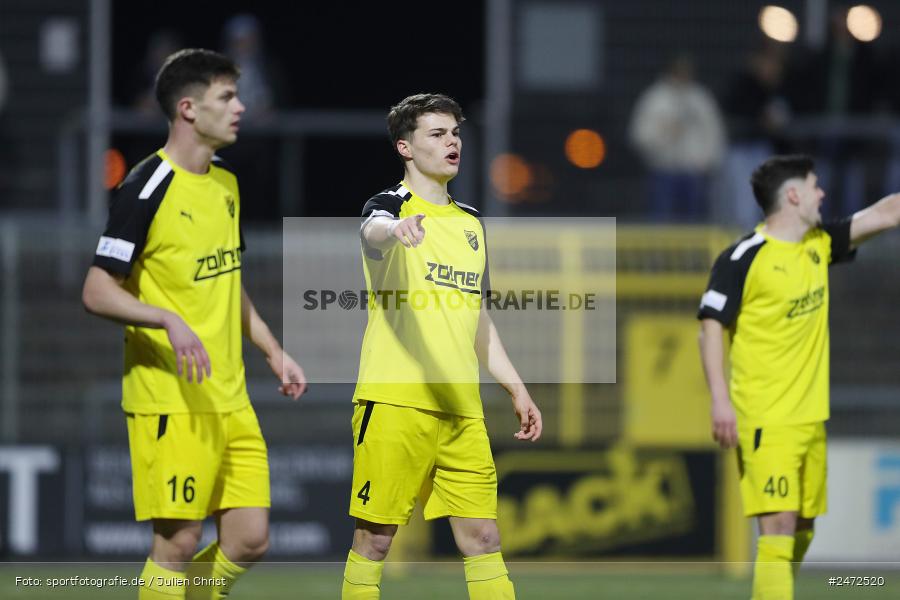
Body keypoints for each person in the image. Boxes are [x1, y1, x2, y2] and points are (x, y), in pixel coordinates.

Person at [81, 48, 307, 600]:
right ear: (188, 108)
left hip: (229, 397)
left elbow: (227, 282)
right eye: (227, 97)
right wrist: (165, 318)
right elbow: (96, 288)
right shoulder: (145, 186)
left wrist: (273, 350)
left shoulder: (225, 185)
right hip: (170, 400)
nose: (240, 107)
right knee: (178, 544)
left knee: (250, 540)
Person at [342, 93, 542, 600]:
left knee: (484, 538)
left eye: (455, 132)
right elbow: (373, 230)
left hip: (461, 409)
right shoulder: (388, 207)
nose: (452, 141)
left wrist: (517, 390)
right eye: (437, 133)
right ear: (405, 147)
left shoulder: (471, 224)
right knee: (376, 540)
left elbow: (479, 319)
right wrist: (396, 229)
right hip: (395, 403)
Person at [697, 154, 900, 599]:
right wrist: (719, 399)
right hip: (765, 417)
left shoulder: (819, 243)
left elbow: (887, 212)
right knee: (779, 526)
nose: (822, 193)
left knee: (801, 528)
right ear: (793, 195)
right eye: (814, 186)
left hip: (810, 418)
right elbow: (711, 326)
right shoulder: (741, 258)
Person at [629, 54, 726, 221]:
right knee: (661, 220)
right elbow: (639, 135)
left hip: (694, 172)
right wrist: (664, 134)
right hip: (663, 170)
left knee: (693, 220)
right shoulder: (655, 98)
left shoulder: (700, 98)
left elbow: (714, 132)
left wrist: (708, 162)